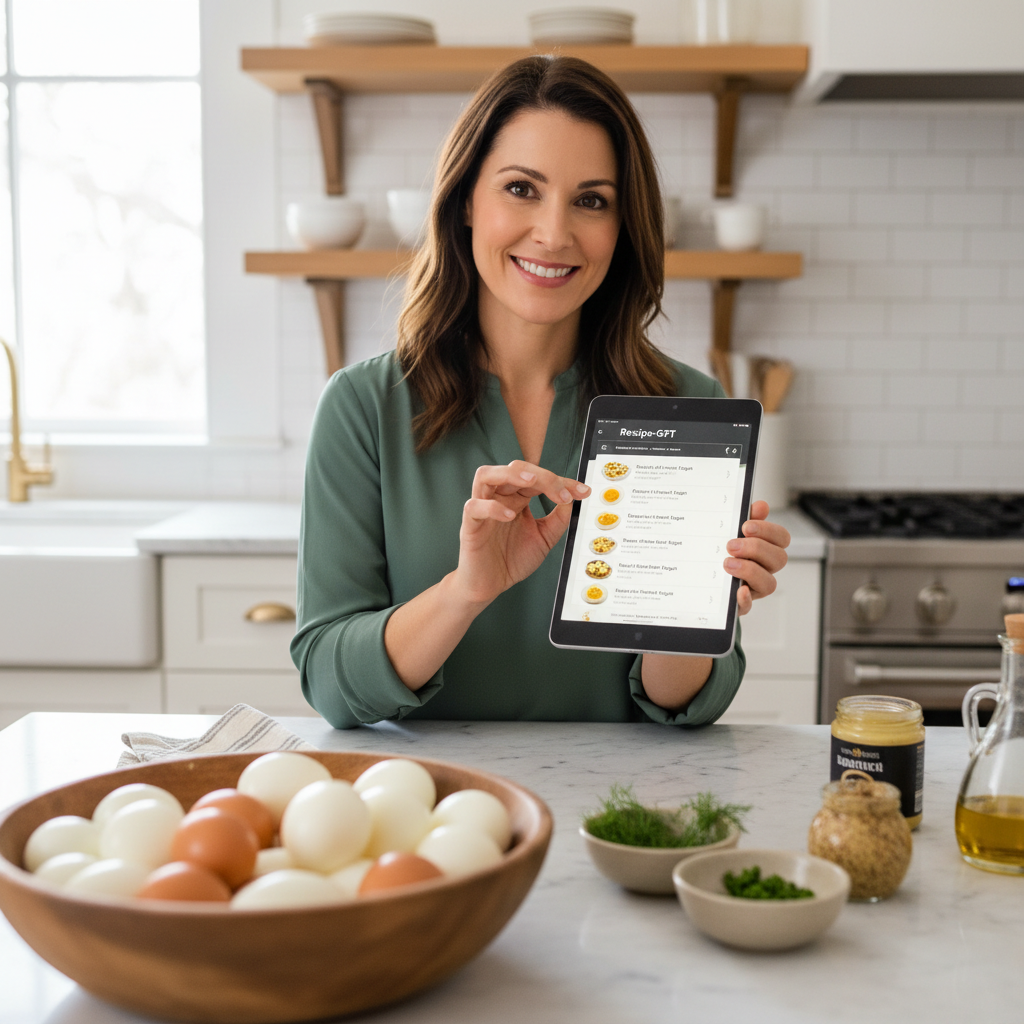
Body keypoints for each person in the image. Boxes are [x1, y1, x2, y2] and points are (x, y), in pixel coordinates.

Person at [291, 55, 790, 729]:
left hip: (616, 817)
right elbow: (330, 683)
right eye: (522, 189)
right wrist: (466, 591)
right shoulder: (363, 407)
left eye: (591, 200)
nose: (554, 233)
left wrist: (692, 608)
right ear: (467, 199)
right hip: (434, 811)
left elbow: (684, 704)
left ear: (621, 227)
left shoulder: (687, 404)